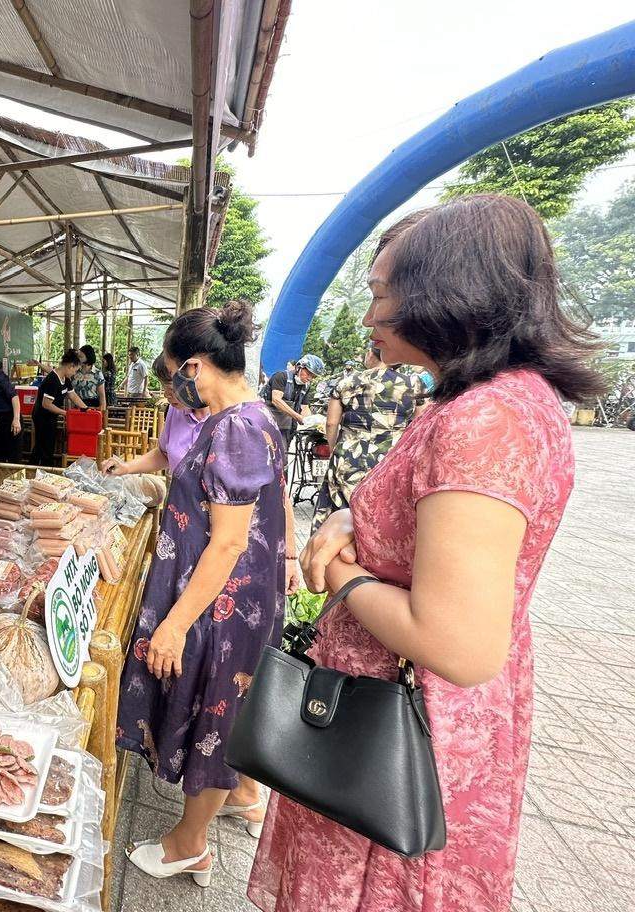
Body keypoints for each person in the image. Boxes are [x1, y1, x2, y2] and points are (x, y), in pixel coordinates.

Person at [250, 196, 606, 912]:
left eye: (381, 295)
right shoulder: (485, 402)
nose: (370, 317)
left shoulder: (487, 419)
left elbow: (460, 644)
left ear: (446, 290)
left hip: (394, 732)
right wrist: (354, 516)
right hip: (392, 714)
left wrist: (343, 575)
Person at [116, 302, 298, 888]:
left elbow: (226, 544)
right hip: (231, 600)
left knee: (216, 718)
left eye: (171, 374)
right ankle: (228, 807)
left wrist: (173, 624)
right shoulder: (247, 417)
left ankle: (188, 844)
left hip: (225, 605)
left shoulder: (239, 427)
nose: (171, 387)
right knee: (223, 716)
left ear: (193, 366)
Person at [310, 345, 426, 532]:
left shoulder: (347, 381)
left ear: (373, 354)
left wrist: (335, 449)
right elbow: (421, 425)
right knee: (380, 520)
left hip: (348, 457)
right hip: (390, 459)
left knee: (337, 519)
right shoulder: (413, 384)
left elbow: (332, 423)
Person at [104, 351, 208, 475]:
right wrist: (127, 467)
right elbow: (164, 455)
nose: (166, 395)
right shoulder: (176, 410)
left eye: (171, 388)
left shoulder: (230, 419)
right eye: (164, 388)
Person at [30, 350, 86, 466]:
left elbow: (73, 395)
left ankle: (38, 468)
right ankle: (41, 469)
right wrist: (65, 413)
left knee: (46, 444)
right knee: (44, 445)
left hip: (51, 416)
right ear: (70, 366)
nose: (74, 373)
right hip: (42, 416)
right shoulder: (52, 380)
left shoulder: (65, 379)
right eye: (75, 370)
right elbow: (46, 404)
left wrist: (85, 409)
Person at [262, 353, 324, 449]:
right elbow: (276, 400)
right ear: (299, 367)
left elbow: (305, 407)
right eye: (308, 374)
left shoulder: (305, 387)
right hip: (269, 425)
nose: (309, 378)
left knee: (283, 457)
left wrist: (311, 421)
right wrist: (298, 417)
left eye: (313, 377)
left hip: (288, 427)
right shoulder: (281, 376)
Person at [74, 344, 108, 410]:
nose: (79, 357)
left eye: (81, 355)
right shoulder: (74, 372)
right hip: (77, 405)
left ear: (88, 356)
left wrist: (102, 410)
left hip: (93, 406)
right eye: (79, 356)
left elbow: (102, 395)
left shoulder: (97, 373)